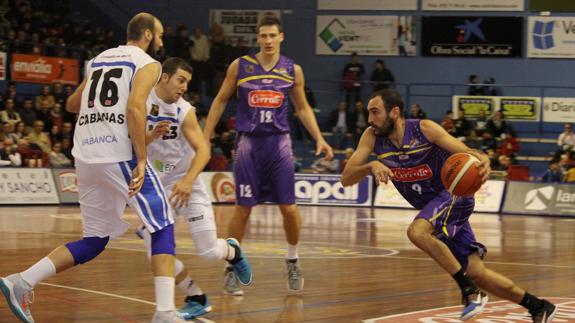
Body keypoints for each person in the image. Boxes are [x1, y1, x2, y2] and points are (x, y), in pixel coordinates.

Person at [0, 12, 187, 323]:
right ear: (148, 35)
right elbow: (134, 107)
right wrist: (142, 158)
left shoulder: (99, 59)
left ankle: (21, 280)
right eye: (160, 35)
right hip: (118, 152)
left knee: (95, 239)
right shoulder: (147, 63)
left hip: (86, 155)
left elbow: (73, 104)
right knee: (163, 224)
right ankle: (165, 312)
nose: (162, 41)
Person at [341, 89, 557, 323]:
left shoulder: (424, 129)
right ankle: (538, 306)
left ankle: (468, 291)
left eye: (375, 112)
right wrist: (370, 166)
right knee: (478, 273)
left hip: (454, 195)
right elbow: (346, 178)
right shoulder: (372, 137)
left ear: (394, 112)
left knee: (417, 232)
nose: (370, 119)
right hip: (436, 210)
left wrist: (482, 157)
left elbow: (467, 153)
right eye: (369, 113)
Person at [203, 15, 333, 295]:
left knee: (289, 208)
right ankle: (232, 265)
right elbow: (220, 99)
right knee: (243, 208)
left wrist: (319, 138)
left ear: (281, 36)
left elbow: (303, 109)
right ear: (257, 38)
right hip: (249, 144)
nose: (268, 40)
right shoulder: (240, 66)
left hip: (279, 144)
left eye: (272, 35)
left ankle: (293, 259)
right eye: (263, 36)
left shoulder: (292, 70)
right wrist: (206, 132)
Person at [141, 57, 253, 316]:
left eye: (187, 82)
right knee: (155, 252)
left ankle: (232, 251)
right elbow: (130, 141)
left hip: (187, 184)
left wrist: (188, 181)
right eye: (181, 80)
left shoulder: (184, 111)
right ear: (164, 77)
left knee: (209, 252)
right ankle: (196, 297)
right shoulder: (141, 101)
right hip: (158, 189)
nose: (184, 87)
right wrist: (150, 136)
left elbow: (204, 150)